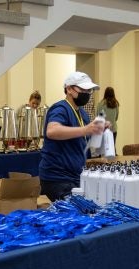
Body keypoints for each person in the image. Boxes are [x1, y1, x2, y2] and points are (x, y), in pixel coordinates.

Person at [39, 71, 106, 201]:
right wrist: (85, 130)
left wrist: (98, 131)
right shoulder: (60, 109)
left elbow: (82, 138)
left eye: (89, 91)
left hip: (76, 176)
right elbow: (52, 131)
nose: (87, 94)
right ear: (69, 89)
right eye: (83, 89)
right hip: (58, 178)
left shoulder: (82, 113)